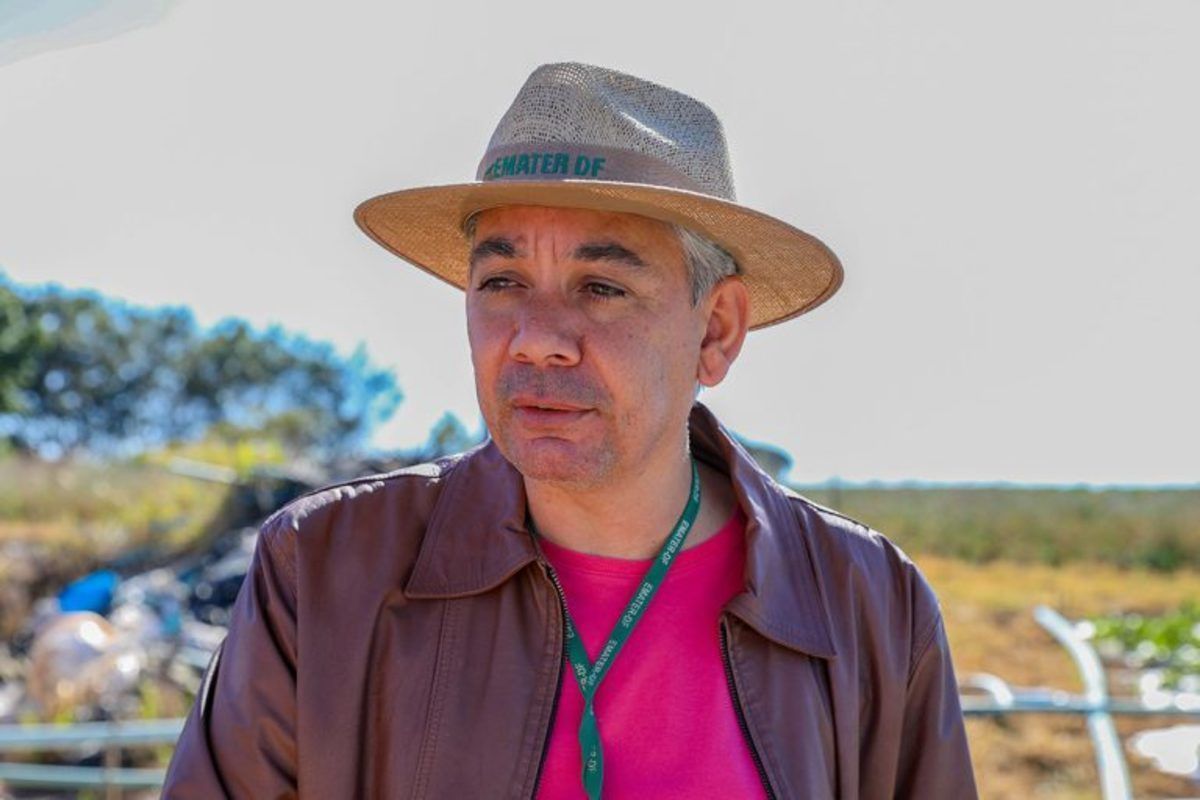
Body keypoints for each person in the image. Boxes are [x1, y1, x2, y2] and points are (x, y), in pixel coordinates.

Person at [162, 62, 977, 799]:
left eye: (601, 287)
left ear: (717, 329)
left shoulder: (868, 603)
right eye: (502, 281)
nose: (536, 338)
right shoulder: (322, 570)